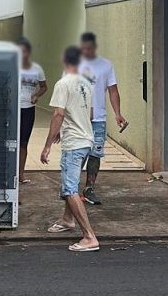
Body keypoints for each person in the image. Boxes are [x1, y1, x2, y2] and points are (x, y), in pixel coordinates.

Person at [41, 46, 99, 252]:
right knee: (71, 182)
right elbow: (89, 114)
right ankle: (67, 220)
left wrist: (47, 145)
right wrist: (68, 128)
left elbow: (58, 114)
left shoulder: (63, 83)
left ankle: (89, 236)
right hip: (86, 140)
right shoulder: (86, 83)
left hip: (74, 144)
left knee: (69, 189)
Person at [79, 32, 126, 205]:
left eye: (90, 48)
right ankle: (71, 189)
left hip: (98, 119)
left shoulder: (106, 66)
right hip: (79, 119)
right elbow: (66, 92)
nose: (87, 51)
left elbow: (113, 90)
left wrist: (117, 113)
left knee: (95, 154)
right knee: (77, 154)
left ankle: (89, 188)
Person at [16, 38, 47, 183]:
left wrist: (36, 95)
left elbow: (44, 87)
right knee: (11, 142)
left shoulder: (37, 69)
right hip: (13, 109)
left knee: (23, 142)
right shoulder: (13, 66)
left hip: (28, 109)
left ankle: (21, 174)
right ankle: (10, 174)